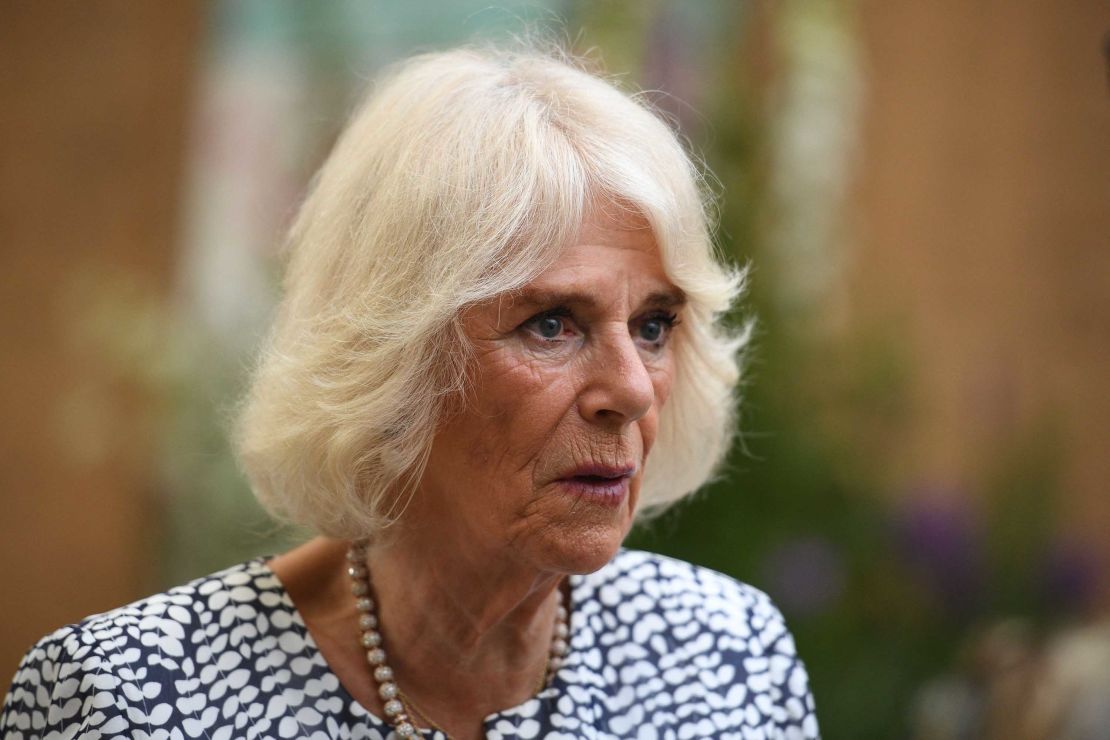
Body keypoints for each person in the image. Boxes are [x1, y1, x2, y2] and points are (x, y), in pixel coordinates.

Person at [1, 45, 819, 739]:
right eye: (552, 324)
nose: (633, 391)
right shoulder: (131, 700)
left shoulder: (728, 656)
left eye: (653, 324)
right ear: (392, 359)